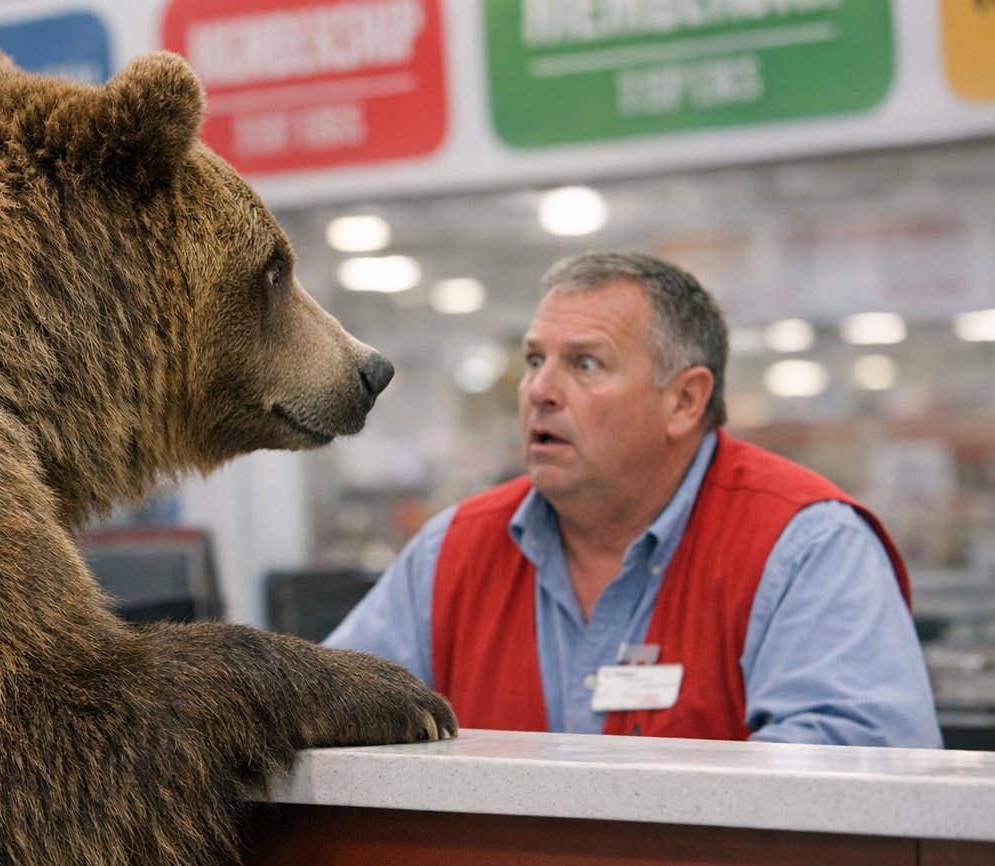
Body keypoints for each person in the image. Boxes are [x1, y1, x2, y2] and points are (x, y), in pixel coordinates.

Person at [326, 251, 942, 747]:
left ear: (685, 401)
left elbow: (861, 789)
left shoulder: (806, 547)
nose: (538, 390)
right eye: (535, 360)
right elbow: (328, 716)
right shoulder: (450, 553)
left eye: (585, 364)